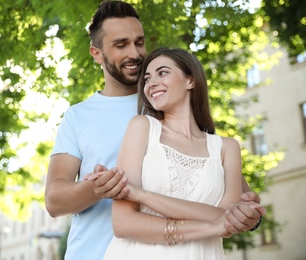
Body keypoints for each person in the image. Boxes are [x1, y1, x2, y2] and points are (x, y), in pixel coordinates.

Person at [45, 1, 262, 260]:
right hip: (94, 253)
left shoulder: (170, 102)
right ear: (97, 53)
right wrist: (97, 188)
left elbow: (230, 196)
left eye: (139, 42)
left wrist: (248, 217)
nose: (135, 53)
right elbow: (54, 201)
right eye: (120, 44)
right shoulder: (78, 117)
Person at [102, 47, 265, 259]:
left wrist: (142, 195)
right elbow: (123, 224)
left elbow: (227, 217)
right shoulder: (142, 128)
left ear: (191, 81)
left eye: (163, 73)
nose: (151, 83)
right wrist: (210, 228)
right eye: (147, 78)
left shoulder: (226, 148)